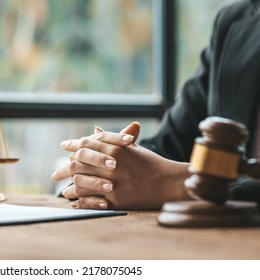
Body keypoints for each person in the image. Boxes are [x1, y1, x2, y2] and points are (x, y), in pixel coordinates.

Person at [51, 0, 260, 210]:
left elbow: (160, 177)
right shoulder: (236, 21)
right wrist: (105, 168)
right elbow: (167, 147)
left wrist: (178, 183)